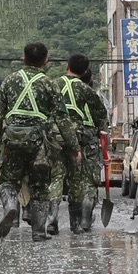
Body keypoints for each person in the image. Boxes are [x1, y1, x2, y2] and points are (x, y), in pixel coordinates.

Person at [0, 42, 64, 240]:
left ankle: (11, 206)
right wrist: (73, 147)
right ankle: (38, 232)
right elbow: (62, 118)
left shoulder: (9, 81)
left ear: (24, 58)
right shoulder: (50, 84)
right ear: (46, 60)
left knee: (8, 180)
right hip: (39, 142)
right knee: (40, 186)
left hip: (12, 138)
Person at [55, 53, 111, 236]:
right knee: (87, 181)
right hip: (87, 139)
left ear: (67, 66)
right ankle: (83, 219)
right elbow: (102, 119)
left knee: (59, 179)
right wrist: (105, 140)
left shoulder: (56, 87)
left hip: (58, 138)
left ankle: (56, 221)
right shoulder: (88, 94)